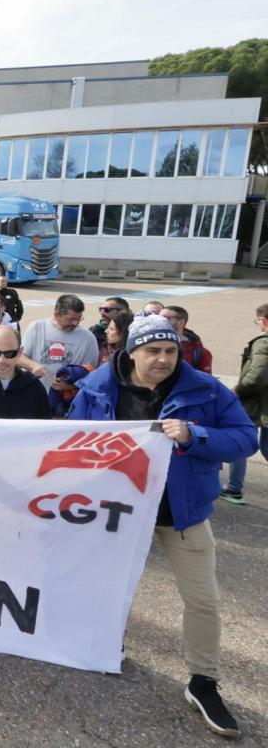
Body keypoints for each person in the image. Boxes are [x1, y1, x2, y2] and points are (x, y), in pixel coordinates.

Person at [69, 315, 255, 739]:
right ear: (131, 351)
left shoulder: (205, 390)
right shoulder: (99, 389)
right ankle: (106, 643)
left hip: (182, 515)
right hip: (119, 512)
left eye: (170, 351)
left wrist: (196, 435)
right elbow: (74, 441)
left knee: (203, 600)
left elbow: (246, 438)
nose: (163, 359)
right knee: (108, 586)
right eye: (152, 350)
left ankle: (203, 681)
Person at [224, 304, 268, 505]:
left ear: (264, 320)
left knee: (240, 439)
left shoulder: (263, 342)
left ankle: (234, 488)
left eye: (258, 321)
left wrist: (238, 389)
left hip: (257, 404)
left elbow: (256, 376)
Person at [21, 294, 99, 394]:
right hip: (34, 395)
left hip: (66, 402)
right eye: (71, 319)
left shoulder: (88, 338)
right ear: (56, 314)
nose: (76, 323)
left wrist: (71, 386)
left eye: (79, 318)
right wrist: (33, 366)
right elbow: (19, 358)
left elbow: (91, 374)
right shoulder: (36, 327)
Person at [162, 306, 213, 374]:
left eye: (165, 318)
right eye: (158, 317)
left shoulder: (199, 352)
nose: (159, 320)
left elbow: (205, 381)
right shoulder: (150, 343)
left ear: (180, 322)